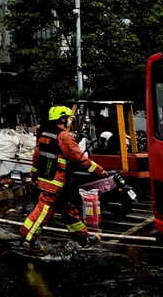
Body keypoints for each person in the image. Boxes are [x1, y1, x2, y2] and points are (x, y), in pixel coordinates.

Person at [21, 105, 107, 251]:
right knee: (43, 211)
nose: (69, 121)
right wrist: (100, 171)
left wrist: (34, 176)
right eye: (68, 118)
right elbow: (79, 159)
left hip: (53, 182)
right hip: (56, 183)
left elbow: (36, 156)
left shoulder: (45, 134)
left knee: (69, 210)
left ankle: (83, 238)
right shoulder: (64, 136)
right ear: (62, 118)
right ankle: (28, 239)